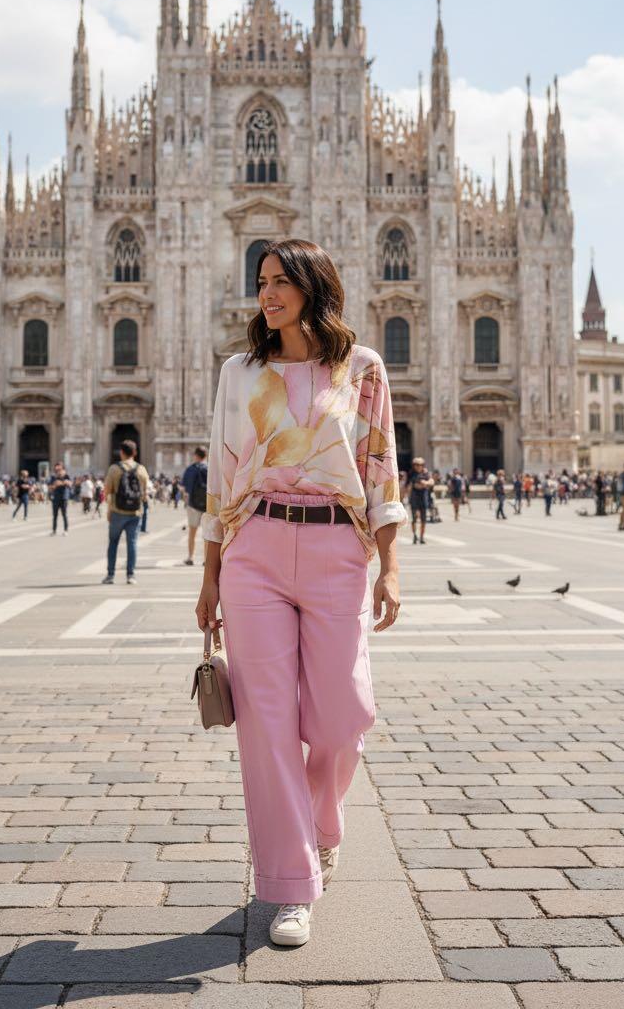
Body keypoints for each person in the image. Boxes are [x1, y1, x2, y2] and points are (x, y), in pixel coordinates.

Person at [194, 238, 406, 948]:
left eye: (282, 281)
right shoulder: (238, 372)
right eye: (262, 282)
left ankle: (322, 826)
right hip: (254, 546)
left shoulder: (364, 369)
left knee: (346, 714)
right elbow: (222, 479)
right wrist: (210, 574)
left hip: (334, 549)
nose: (268, 293)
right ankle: (290, 886)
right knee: (266, 723)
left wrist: (391, 566)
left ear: (316, 286)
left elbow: (380, 471)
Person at [102, 440, 150, 584]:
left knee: (113, 543)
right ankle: (131, 575)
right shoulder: (141, 469)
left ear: (121, 452)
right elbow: (145, 493)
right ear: (135, 453)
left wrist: (110, 508)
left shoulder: (114, 469)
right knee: (132, 543)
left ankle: (110, 575)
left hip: (117, 512)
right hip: (135, 513)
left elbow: (107, 491)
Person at [180, 448, 208, 565]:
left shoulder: (190, 469)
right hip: (208, 505)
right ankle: (206, 559)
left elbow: (183, 488)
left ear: (195, 456)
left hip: (193, 505)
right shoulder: (210, 468)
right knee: (207, 534)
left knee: (192, 532)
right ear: (205, 456)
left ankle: (190, 557)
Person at [408, 457, 431, 543]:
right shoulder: (411, 474)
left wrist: (426, 483)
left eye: (420, 465)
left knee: (423, 520)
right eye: (417, 465)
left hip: (424, 499)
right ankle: (414, 535)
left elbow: (431, 481)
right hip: (414, 499)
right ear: (414, 465)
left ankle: (422, 537)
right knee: (415, 518)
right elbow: (411, 485)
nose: (418, 466)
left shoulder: (426, 474)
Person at [48, 463, 71, 535]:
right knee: (55, 515)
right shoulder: (53, 477)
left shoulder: (66, 476)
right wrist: (54, 486)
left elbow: (70, 484)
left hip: (64, 498)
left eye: (59, 469)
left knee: (64, 514)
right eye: (56, 469)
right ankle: (54, 530)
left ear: (62, 469)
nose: (57, 471)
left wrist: (61, 483)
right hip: (55, 498)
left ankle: (66, 530)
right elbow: (50, 487)